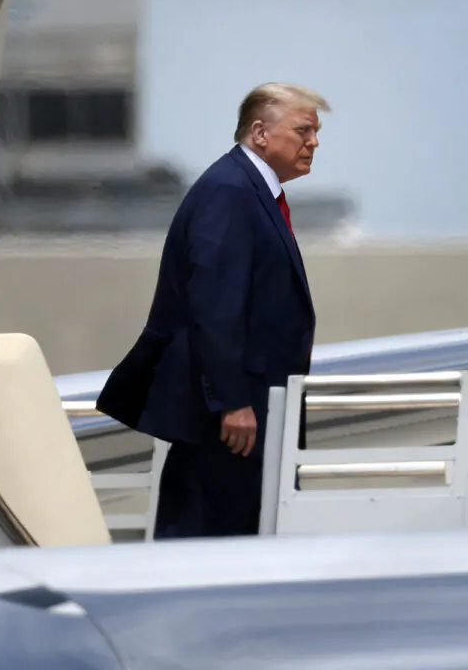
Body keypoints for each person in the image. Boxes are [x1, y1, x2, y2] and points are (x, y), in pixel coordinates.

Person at [96, 82, 328, 538]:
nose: (314, 142)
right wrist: (232, 401)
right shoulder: (230, 190)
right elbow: (215, 305)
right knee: (208, 540)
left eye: (316, 132)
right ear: (260, 133)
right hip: (231, 422)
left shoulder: (248, 189)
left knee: (231, 537)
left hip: (247, 415)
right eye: (304, 130)